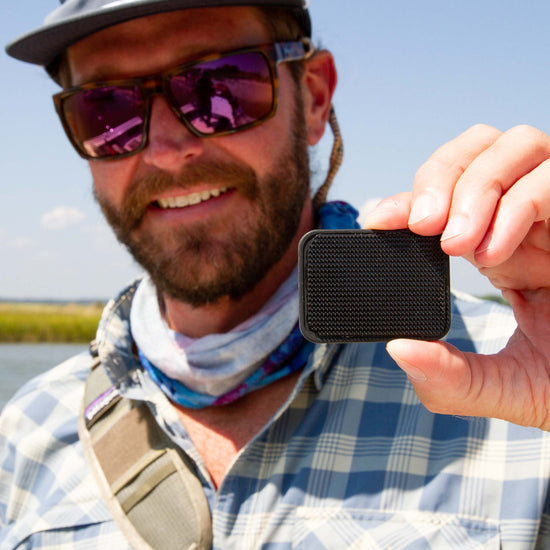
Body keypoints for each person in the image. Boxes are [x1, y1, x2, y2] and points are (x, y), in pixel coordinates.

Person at [2, 0, 550, 548]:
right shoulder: (27, 435)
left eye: (219, 86)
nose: (167, 151)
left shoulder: (516, 380)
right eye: (106, 110)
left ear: (313, 98)